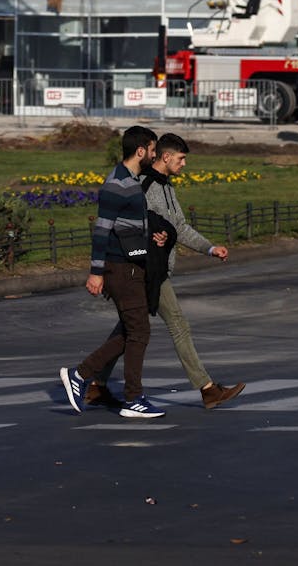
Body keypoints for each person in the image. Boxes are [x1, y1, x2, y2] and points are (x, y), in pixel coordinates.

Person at [86, 133, 243, 411]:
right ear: (165, 157)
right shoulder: (143, 185)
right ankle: (207, 389)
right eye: (181, 159)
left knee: (128, 328)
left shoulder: (166, 186)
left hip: (155, 268)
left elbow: (179, 227)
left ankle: (96, 384)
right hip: (145, 269)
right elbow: (130, 225)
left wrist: (209, 248)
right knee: (178, 325)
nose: (184, 164)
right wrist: (152, 239)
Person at [60, 125, 169, 419]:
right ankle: (132, 398)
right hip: (120, 269)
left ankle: (80, 375)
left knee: (130, 331)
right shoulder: (117, 184)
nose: (155, 155)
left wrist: (153, 238)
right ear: (141, 150)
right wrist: (96, 272)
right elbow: (102, 231)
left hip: (131, 264)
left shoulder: (130, 181)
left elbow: (128, 226)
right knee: (139, 331)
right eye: (153, 149)